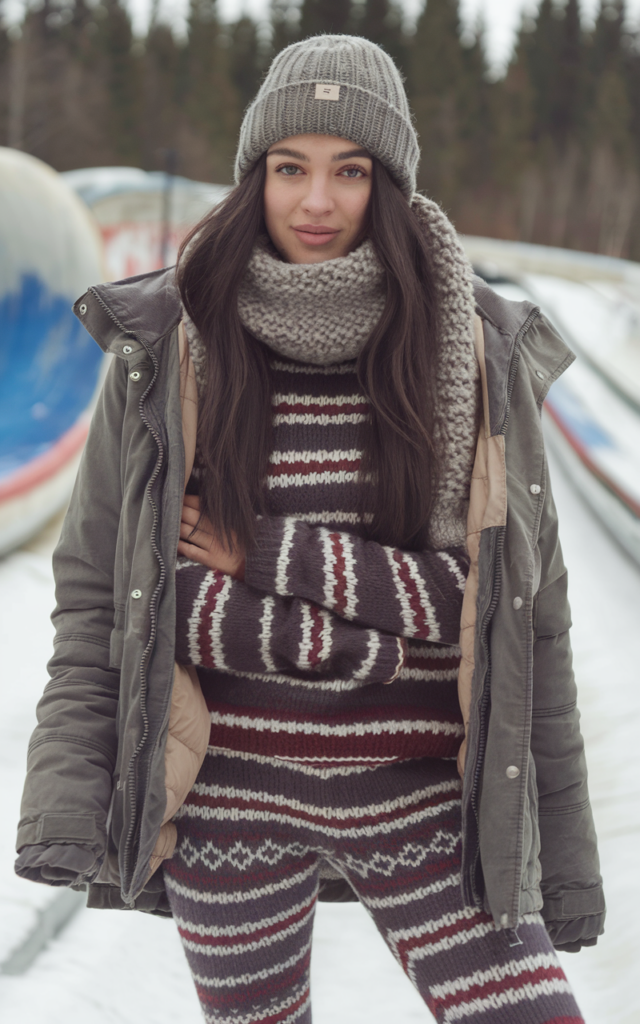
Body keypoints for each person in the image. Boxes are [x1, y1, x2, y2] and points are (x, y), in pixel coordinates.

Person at [15, 34, 604, 1024]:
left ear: (393, 184)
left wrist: (260, 558)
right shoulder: (169, 346)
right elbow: (131, 599)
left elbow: (495, 607)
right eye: (290, 169)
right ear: (256, 177)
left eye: (350, 171)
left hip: (418, 795)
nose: (316, 202)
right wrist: (385, 629)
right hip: (228, 802)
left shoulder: (470, 350)